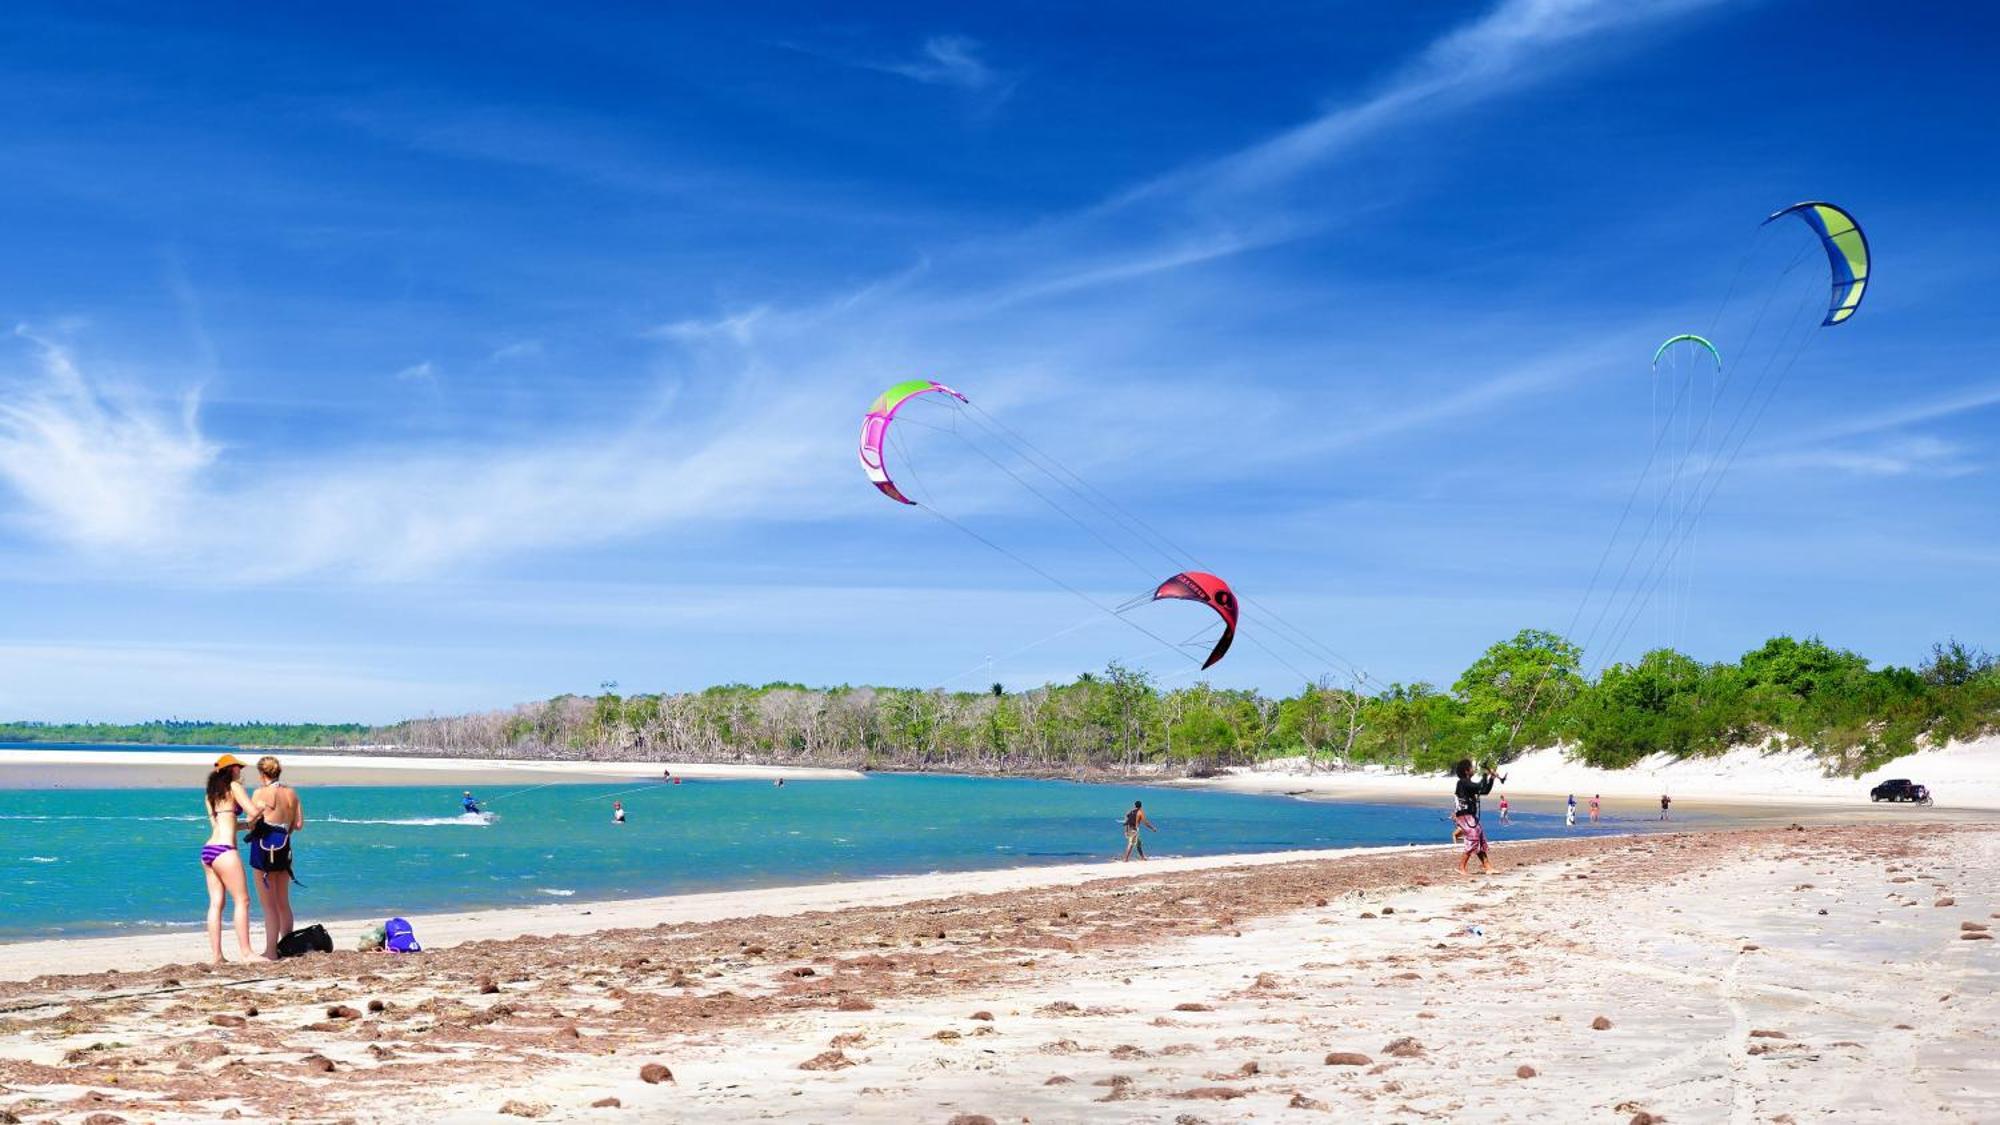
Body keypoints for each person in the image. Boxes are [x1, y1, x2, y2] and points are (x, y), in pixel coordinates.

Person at [199, 755, 260, 964]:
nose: (241, 771)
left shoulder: (210, 794)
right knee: (242, 900)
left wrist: (244, 825)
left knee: (216, 904)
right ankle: (247, 953)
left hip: (208, 850)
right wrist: (258, 815)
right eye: (239, 767)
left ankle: (217, 956)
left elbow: (220, 824)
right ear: (232, 769)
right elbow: (253, 811)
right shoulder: (234, 787)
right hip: (226, 851)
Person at [247, 756, 305, 960]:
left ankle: (271, 951)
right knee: (283, 902)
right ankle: (287, 945)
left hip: (263, 850)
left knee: (268, 905)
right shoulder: (291, 794)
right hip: (284, 848)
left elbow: (251, 821)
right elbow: (298, 825)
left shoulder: (259, 793)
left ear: (262, 774)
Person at [1452, 759, 1503, 876]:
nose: (1474, 769)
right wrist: (1486, 774)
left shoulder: (1467, 783)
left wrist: (1491, 778)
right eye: (1471, 767)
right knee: (1473, 837)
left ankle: (1488, 867)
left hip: (1470, 816)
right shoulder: (1462, 782)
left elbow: (1484, 790)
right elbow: (1479, 786)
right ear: (1466, 771)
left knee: (1480, 839)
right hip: (1464, 816)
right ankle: (1461, 867)